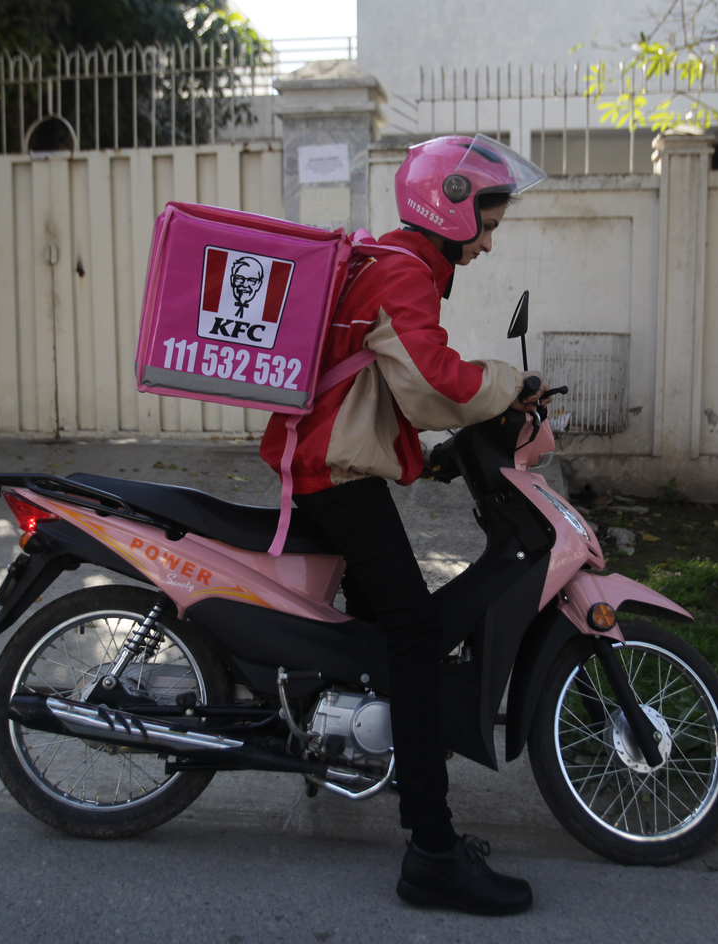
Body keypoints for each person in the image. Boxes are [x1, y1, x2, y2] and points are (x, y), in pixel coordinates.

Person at [260, 134, 546, 916]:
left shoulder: (391, 265)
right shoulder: (403, 274)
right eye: (485, 223)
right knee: (415, 632)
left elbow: (391, 376)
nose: (488, 241)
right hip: (334, 471)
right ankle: (430, 848)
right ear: (447, 209)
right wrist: (509, 381)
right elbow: (429, 382)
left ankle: (348, 749)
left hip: (331, 462)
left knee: (380, 629)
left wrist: (449, 441)